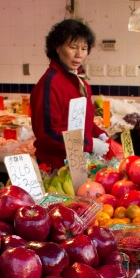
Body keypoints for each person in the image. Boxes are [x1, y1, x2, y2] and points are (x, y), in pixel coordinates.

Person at [30, 19, 109, 170]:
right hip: (56, 167)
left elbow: (82, 119)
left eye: (84, 48)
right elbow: (48, 135)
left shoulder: (80, 82)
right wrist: (89, 144)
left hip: (78, 163)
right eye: (73, 47)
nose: (79, 54)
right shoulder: (50, 84)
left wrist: (98, 133)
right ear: (57, 47)